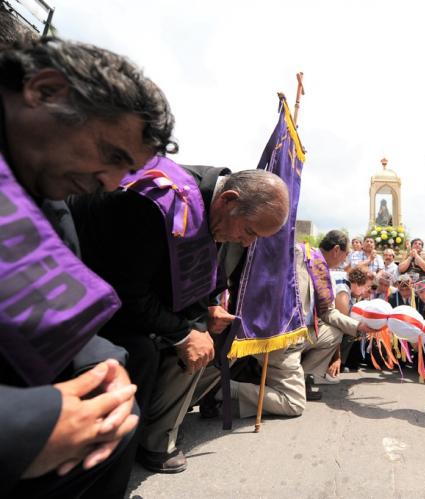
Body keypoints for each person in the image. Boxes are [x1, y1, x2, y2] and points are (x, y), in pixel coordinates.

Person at [0, 37, 175, 497]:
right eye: (113, 156)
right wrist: (25, 429)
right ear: (45, 91)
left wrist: (105, 368)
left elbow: (57, 301)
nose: (112, 183)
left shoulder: (46, 199)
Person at [69, 161, 290, 474]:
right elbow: (127, 290)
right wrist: (185, 333)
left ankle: (163, 423)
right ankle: (154, 440)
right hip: (94, 297)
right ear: (229, 200)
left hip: (146, 296)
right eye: (249, 231)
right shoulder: (160, 201)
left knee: (223, 335)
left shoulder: (212, 206)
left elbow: (207, 268)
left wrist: (212, 303)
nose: (246, 242)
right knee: (176, 344)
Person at [222, 230, 376, 416]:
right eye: (344, 255)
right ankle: (228, 389)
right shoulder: (298, 255)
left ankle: (302, 379)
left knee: (334, 333)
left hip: (302, 334)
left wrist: (359, 327)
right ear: (336, 249)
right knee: (294, 405)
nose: (344, 261)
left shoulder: (320, 268)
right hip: (282, 337)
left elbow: (328, 312)